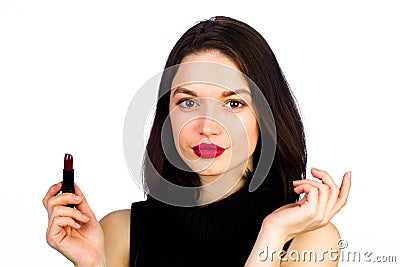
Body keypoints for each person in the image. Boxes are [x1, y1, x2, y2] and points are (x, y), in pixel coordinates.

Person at [43, 16, 351, 267]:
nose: (207, 127)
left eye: (233, 104)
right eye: (188, 103)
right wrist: (94, 265)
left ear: (265, 116)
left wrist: (272, 234)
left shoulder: (308, 240)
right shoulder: (119, 233)